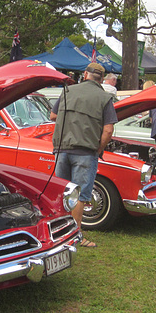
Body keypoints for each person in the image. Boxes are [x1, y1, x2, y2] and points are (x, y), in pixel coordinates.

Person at [49, 62, 117, 247]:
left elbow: (52, 116)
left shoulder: (68, 91)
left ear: (85, 74)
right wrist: (99, 149)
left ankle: (58, 235)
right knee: (80, 195)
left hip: (62, 149)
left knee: (62, 194)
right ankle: (75, 236)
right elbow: (108, 130)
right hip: (86, 152)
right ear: (102, 79)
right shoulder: (104, 97)